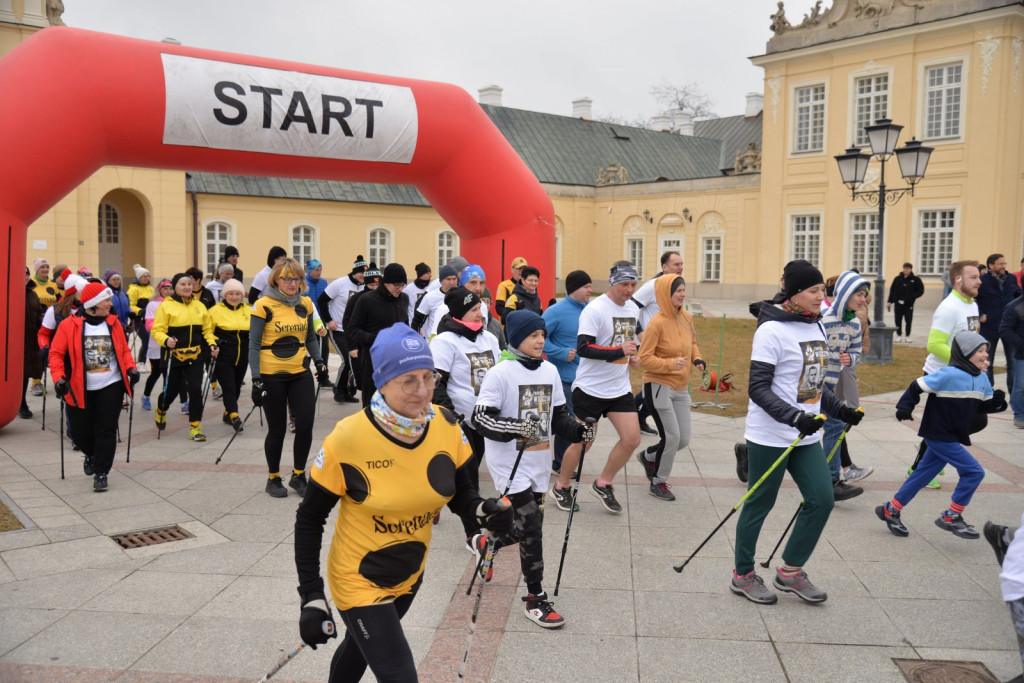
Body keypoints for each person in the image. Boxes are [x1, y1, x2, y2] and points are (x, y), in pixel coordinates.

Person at [293, 323, 514, 680]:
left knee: (357, 650)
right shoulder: (348, 439)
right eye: (408, 380)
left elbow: (462, 494)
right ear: (381, 381)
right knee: (399, 674)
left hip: (410, 573)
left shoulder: (445, 424)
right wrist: (312, 595)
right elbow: (309, 519)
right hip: (358, 579)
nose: (423, 390)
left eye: (429, 377)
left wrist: (483, 514)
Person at [731, 261, 863, 605]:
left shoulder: (814, 325)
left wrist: (840, 410)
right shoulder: (771, 330)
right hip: (770, 434)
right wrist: (793, 417)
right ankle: (742, 574)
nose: (823, 296)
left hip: (807, 434)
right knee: (761, 502)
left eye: (823, 290)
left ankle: (790, 572)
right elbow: (757, 389)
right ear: (794, 293)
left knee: (822, 499)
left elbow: (815, 385)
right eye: (815, 291)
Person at [472, 309, 594, 628]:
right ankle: (535, 598)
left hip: (538, 462)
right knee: (532, 527)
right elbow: (481, 418)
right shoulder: (501, 373)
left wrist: (579, 430)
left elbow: (559, 416)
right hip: (509, 464)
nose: (540, 340)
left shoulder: (550, 370)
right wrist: (518, 428)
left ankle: (491, 543)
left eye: (542, 335)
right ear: (516, 339)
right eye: (533, 335)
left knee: (525, 526)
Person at [877, 331, 1007, 539]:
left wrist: (998, 401)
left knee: (922, 475)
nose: (985, 355)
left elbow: (984, 406)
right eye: (980, 351)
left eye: (986, 351)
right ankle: (951, 515)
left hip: (953, 435)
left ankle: (890, 509)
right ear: (965, 354)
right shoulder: (949, 374)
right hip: (938, 434)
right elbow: (916, 386)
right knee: (974, 472)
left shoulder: (982, 378)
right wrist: (905, 407)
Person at [550, 261, 642, 514]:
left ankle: (603, 483)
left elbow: (630, 341)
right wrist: (617, 351)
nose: (629, 289)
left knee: (632, 438)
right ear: (612, 284)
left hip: (619, 387)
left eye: (633, 284)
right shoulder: (595, 309)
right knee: (584, 442)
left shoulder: (633, 309)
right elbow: (584, 348)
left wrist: (633, 355)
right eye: (624, 284)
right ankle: (561, 486)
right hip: (590, 388)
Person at [249, 258, 330, 497]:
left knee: (305, 424)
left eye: (296, 278)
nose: (292, 283)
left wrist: (320, 362)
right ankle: (273, 478)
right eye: (287, 278)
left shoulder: (305, 303)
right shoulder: (263, 305)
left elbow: (311, 338)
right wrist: (256, 379)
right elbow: (253, 345)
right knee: (278, 429)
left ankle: (298, 475)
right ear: (276, 280)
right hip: (271, 374)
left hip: (299, 373)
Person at [49, 281, 140, 491]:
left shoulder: (113, 323)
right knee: (80, 433)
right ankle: (90, 453)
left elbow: (124, 350)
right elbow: (55, 355)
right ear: (93, 304)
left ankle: (101, 472)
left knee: (106, 429)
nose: (110, 304)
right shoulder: (68, 325)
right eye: (106, 300)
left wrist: (130, 368)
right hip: (78, 388)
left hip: (111, 385)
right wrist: (58, 378)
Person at [430, 286, 502, 544]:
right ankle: (473, 535)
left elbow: (500, 375)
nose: (480, 313)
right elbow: (435, 385)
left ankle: (436, 502)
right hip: (460, 420)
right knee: (469, 474)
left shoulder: (489, 339)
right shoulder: (444, 342)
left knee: (459, 473)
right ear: (460, 313)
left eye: (481, 308)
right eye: (474, 309)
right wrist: (452, 418)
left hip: (485, 418)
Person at [909, 260, 983, 487]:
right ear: (958, 280)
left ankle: (931, 453)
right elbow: (934, 344)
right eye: (974, 277)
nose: (980, 281)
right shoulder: (949, 307)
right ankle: (919, 467)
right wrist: (964, 362)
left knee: (972, 422)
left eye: (979, 277)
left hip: (961, 376)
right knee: (944, 428)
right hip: (943, 376)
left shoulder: (971, 304)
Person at [636, 274, 704, 501]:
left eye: (684, 290)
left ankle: (649, 456)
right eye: (678, 291)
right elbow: (644, 358)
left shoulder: (686, 316)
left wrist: (697, 359)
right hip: (658, 386)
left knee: (683, 440)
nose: (683, 294)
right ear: (667, 294)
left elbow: (692, 343)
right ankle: (658, 482)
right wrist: (669, 364)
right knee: (672, 438)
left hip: (681, 387)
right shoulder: (656, 322)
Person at [820, 271, 873, 499]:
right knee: (787, 428)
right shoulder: (822, 318)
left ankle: (831, 480)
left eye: (865, 295)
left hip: (829, 386)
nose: (863, 300)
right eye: (859, 294)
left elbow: (856, 351)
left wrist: (849, 359)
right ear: (844, 294)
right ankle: (748, 453)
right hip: (810, 384)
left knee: (834, 426)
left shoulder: (853, 323)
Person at [150, 273, 219, 441]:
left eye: (189, 284)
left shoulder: (200, 306)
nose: (187, 287)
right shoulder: (166, 306)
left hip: (195, 355)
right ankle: (161, 409)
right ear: (176, 287)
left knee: (195, 389)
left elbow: (207, 330)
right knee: (171, 391)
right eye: (183, 284)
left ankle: (195, 427)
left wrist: (212, 343)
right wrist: (166, 340)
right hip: (173, 355)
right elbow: (157, 330)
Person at [543, 270, 591, 474]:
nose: (590, 290)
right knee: (569, 419)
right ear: (574, 289)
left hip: (587, 377)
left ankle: (565, 459)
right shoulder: (555, 311)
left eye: (590, 286)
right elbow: (537, 339)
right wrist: (561, 352)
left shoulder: (591, 310)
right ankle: (561, 463)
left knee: (576, 420)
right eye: (586, 287)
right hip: (564, 377)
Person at [632, 251, 685, 434]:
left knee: (664, 383)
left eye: (681, 264)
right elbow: (631, 308)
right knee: (660, 382)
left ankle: (636, 411)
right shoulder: (652, 286)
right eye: (676, 264)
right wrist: (639, 333)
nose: (680, 268)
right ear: (664, 267)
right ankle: (637, 414)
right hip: (650, 343)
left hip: (668, 342)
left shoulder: (676, 286)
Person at [347, 263, 410, 406]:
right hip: (373, 359)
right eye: (396, 285)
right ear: (386, 282)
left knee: (396, 403)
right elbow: (353, 330)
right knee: (372, 404)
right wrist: (374, 338)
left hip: (397, 359)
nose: (400, 289)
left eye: (403, 285)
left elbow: (405, 325)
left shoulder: (404, 299)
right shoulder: (367, 300)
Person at [319, 255, 366, 403]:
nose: (363, 276)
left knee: (356, 359)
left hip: (354, 330)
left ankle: (347, 390)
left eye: (365, 273)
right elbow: (322, 300)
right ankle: (338, 388)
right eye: (360, 273)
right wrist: (329, 320)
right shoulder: (339, 284)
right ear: (354, 272)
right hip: (337, 328)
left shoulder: (365, 285)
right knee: (347, 359)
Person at [209, 279, 250, 432]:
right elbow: (208, 332)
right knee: (229, 387)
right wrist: (213, 344)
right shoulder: (215, 310)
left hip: (242, 355)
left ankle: (227, 413)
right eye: (230, 294)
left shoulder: (249, 311)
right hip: (223, 356)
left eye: (237, 294)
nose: (234, 297)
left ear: (242, 295)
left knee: (237, 386)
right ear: (224, 295)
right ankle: (235, 416)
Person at [978, 253, 1022, 392]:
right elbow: (974, 298)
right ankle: (988, 392)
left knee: (1013, 362)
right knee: (987, 362)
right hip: (989, 326)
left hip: (1010, 328)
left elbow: (1018, 296)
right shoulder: (982, 281)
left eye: (1005, 263)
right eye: (1000, 264)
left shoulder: (1012, 278)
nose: (1004, 266)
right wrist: (979, 315)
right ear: (991, 266)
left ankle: (1013, 392)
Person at [140, 279, 176, 412]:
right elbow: (149, 325)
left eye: (171, 288)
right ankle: (146, 396)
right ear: (159, 290)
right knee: (156, 373)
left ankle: (166, 401)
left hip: (171, 344)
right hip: (156, 345)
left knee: (169, 374)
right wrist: (164, 329)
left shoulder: (175, 304)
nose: (168, 291)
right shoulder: (153, 304)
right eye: (165, 288)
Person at [28, 258, 59, 396]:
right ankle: (36, 382)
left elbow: (59, 301)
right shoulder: (31, 284)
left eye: (47, 267)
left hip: (50, 323)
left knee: (51, 352)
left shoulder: (53, 285)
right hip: (35, 323)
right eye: (42, 267)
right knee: (38, 353)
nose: (45, 270)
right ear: (36, 270)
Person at [21, 267, 44, 419]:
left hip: (30, 339)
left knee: (25, 374)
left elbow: (37, 315)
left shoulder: (32, 294)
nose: (25, 277)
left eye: (26, 274)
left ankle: (21, 403)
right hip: (14, 342)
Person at [412, 264, 458, 338]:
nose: (452, 282)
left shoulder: (462, 295)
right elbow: (416, 322)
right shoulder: (430, 297)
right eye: (448, 279)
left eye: (454, 279)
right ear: (441, 281)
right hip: (434, 343)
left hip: (455, 343)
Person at [1000, 289, 1024, 429]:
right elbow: (1005, 329)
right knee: (1020, 386)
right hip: (1022, 355)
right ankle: (1020, 415)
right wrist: (1021, 345)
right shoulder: (1014, 307)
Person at [886, 262, 925, 343]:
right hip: (898, 303)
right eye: (904, 268)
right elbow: (892, 290)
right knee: (897, 320)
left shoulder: (915, 279)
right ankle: (899, 335)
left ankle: (908, 336)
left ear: (910, 269)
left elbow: (921, 291)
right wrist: (890, 301)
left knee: (908, 320)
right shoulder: (897, 279)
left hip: (909, 304)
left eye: (907, 269)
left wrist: (913, 296)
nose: (905, 270)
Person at [127, 264, 154, 363]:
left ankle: (146, 362)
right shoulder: (133, 289)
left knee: (150, 341)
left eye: (148, 276)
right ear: (139, 278)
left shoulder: (150, 288)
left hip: (150, 318)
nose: (147, 278)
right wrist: (140, 311)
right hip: (139, 319)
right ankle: (141, 362)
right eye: (144, 276)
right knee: (146, 340)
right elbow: (130, 305)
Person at [304, 258, 329, 362]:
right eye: (316, 270)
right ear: (310, 270)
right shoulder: (303, 282)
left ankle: (323, 374)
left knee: (324, 349)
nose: (319, 272)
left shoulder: (323, 282)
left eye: (320, 269)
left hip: (321, 319)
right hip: (307, 320)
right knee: (308, 350)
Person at [103, 270, 132, 334]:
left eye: (118, 279)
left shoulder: (123, 292)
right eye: (114, 279)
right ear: (108, 281)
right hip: (111, 326)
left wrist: (131, 313)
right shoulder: (105, 292)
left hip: (124, 326)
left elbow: (127, 305)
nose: (116, 281)